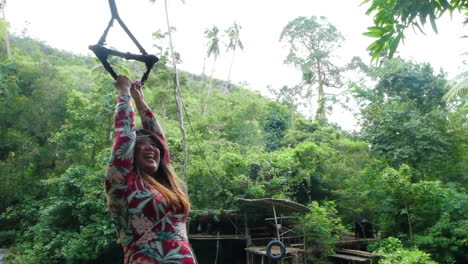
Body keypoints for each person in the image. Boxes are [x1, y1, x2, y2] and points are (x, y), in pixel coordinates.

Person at [105, 75, 196, 264]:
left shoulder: (165, 183)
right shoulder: (124, 182)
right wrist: (124, 92)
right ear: (131, 153)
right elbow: (124, 137)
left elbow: (160, 143)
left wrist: (139, 99)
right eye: (142, 145)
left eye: (152, 145)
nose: (151, 148)